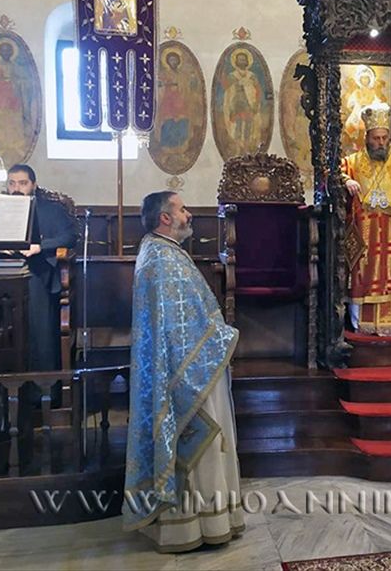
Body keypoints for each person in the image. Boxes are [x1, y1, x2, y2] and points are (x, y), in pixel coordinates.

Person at [123, 191, 243, 553]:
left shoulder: (160, 252)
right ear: (165, 217)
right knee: (201, 444)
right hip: (189, 373)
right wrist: (220, 339)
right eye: (183, 209)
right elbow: (179, 328)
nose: (189, 214)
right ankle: (193, 526)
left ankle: (209, 521)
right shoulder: (162, 259)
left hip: (190, 363)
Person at [342, 103, 391, 336]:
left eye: (385, 138)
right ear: (367, 137)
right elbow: (333, 174)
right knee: (362, 276)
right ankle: (360, 323)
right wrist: (346, 180)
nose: (381, 143)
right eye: (376, 138)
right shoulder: (353, 162)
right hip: (364, 232)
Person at [6, 165, 77, 373]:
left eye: (22, 183)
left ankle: (43, 382)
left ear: (33, 185)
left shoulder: (51, 209)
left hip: (37, 271)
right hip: (1, 270)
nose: (16, 188)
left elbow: (69, 237)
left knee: (39, 326)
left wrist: (40, 247)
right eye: (12, 183)